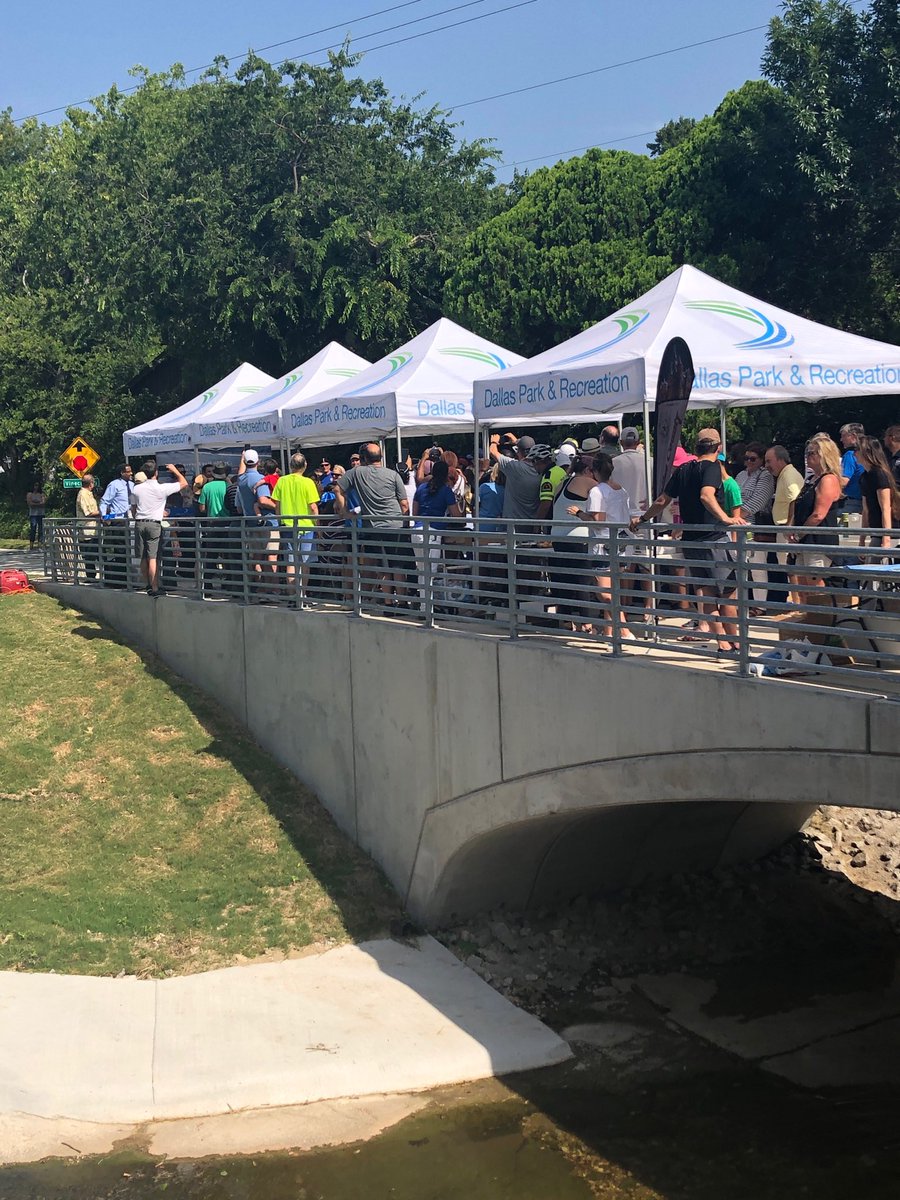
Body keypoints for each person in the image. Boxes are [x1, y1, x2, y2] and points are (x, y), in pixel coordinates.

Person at [633, 428, 748, 656]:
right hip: (714, 540)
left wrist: (643, 519)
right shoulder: (713, 467)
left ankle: (722, 642)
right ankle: (736, 642)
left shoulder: (683, 469)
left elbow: (662, 500)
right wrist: (726, 518)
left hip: (691, 540)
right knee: (728, 594)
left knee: (706, 594)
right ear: (718, 448)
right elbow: (706, 495)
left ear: (696, 448)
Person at [334, 442, 412, 605]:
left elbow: (337, 490)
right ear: (380, 457)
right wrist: (405, 523)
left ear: (363, 458)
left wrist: (345, 512)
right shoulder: (393, 474)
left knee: (383, 566)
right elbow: (404, 504)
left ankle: (389, 604)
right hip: (396, 525)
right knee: (397, 564)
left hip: (373, 527)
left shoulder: (355, 473)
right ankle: (403, 602)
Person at [581, 453, 633, 640]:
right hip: (620, 543)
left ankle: (624, 628)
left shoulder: (597, 491)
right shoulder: (621, 490)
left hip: (603, 545)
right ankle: (611, 633)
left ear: (594, 471)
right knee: (614, 589)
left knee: (603, 592)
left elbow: (598, 521)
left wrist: (579, 513)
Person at [787, 435, 843, 603]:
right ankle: (809, 619)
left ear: (824, 455)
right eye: (807, 453)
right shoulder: (812, 479)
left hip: (818, 541)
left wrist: (797, 535)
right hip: (805, 540)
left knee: (815, 585)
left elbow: (819, 514)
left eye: (812, 453)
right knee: (802, 586)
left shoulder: (828, 479)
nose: (808, 457)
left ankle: (822, 620)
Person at [550, 453, 596, 632]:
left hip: (558, 535)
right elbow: (608, 493)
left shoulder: (562, 483)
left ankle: (567, 620)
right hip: (578, 535)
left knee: (565, 579)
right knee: (583, 579)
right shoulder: (586, 482)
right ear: (586, 470)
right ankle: (587, 623)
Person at [130, 461, 187, 596]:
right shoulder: (162, 488)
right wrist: (175, 471)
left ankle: (147, 585)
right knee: (152, 557)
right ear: (156, 473)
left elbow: (133, 508)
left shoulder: (136, 489)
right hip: (154, 523)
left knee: (143, 557)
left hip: (139, 522)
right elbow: (184, 483)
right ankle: (155, 588)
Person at [412, 459, 464, 600]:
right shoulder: (446, 491)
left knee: (422, 570)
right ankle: (427, 607)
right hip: (433, 532)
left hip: (417, 530)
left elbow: (414, 513)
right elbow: (457, 516)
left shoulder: (421, 488)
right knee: (430, 571)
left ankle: (424, 604)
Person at [272, 452, 320, 600]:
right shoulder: (308, 482)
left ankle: (292, 595)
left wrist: (280, 520)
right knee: (305, 562)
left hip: (287, 525)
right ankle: (302, 595)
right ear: (305, 465)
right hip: (306, 526)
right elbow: (313, 507)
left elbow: (277, 505)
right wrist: (317, 525)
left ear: (290, 466)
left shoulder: (281, 481)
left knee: (291, 562)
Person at [763, 445, 805, 605]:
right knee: (789, 568)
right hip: (784, 529)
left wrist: (789, 526)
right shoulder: (785, 475)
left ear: (780, 460)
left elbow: (795, 500)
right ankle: (797, 602)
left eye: (769, 461)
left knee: (791, 567)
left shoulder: (788, 476)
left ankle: (798, 603)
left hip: (787, 530)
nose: (766, 465)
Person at [237, 448, 279, 598]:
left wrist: (242, 458)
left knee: (257, 557)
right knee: (271, 557)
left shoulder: (240, 480)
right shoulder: (259, 479)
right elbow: (263, 500)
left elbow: (239, 506)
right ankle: (272, 590)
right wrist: (279, 507)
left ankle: (260, 589)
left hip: (251, 523)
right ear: (258, 462)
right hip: (267, 523)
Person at [855, 435, 900, 553]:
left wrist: (886, 539)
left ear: (866, 452)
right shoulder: (864, 477)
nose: (854, 454)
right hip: (875, 530)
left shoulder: (879, 474)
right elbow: (865, 510)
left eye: (857, 450)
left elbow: (886, 508)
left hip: (890, 532)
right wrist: (861, 540)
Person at [99, 463, 134, 587]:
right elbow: (105, 501)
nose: (131, 474)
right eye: (128, 472)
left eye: (131, 471)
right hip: (118, 520)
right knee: (121, 550)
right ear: (122, 473)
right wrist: (104, 516)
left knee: (130, 550)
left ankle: (130, 577)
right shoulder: (114, 485)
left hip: (131, 520)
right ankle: (121, 580)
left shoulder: (132, 485)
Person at [75, 474, 100, 580]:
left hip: (94, 529)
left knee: (95, 553)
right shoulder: (83, 494)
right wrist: (102, 512)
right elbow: (88, 512)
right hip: (87, 530)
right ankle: (91, 577)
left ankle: (94, 576)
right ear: (91, 483)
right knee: (89, 555)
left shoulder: (89, 494)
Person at [838, 422, 866, 515]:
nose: (841, 439)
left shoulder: (850, 455)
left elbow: (844, 481)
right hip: (865, 501)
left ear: (853, 436)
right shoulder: (867, 454)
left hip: (852, 503)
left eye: (843, 436)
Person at [25, 482, 46, 551]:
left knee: (41, 530)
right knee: (33, 529)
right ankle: (31, 545)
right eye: (35, 485)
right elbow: (30, 503)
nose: (36, 487)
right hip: (33, 514)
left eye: (37, 485)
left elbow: (43, 503)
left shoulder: (41, 494)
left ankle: (40, 544)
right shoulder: (30, 494)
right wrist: (38, 503)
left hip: (41, 514)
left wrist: (35, 503)